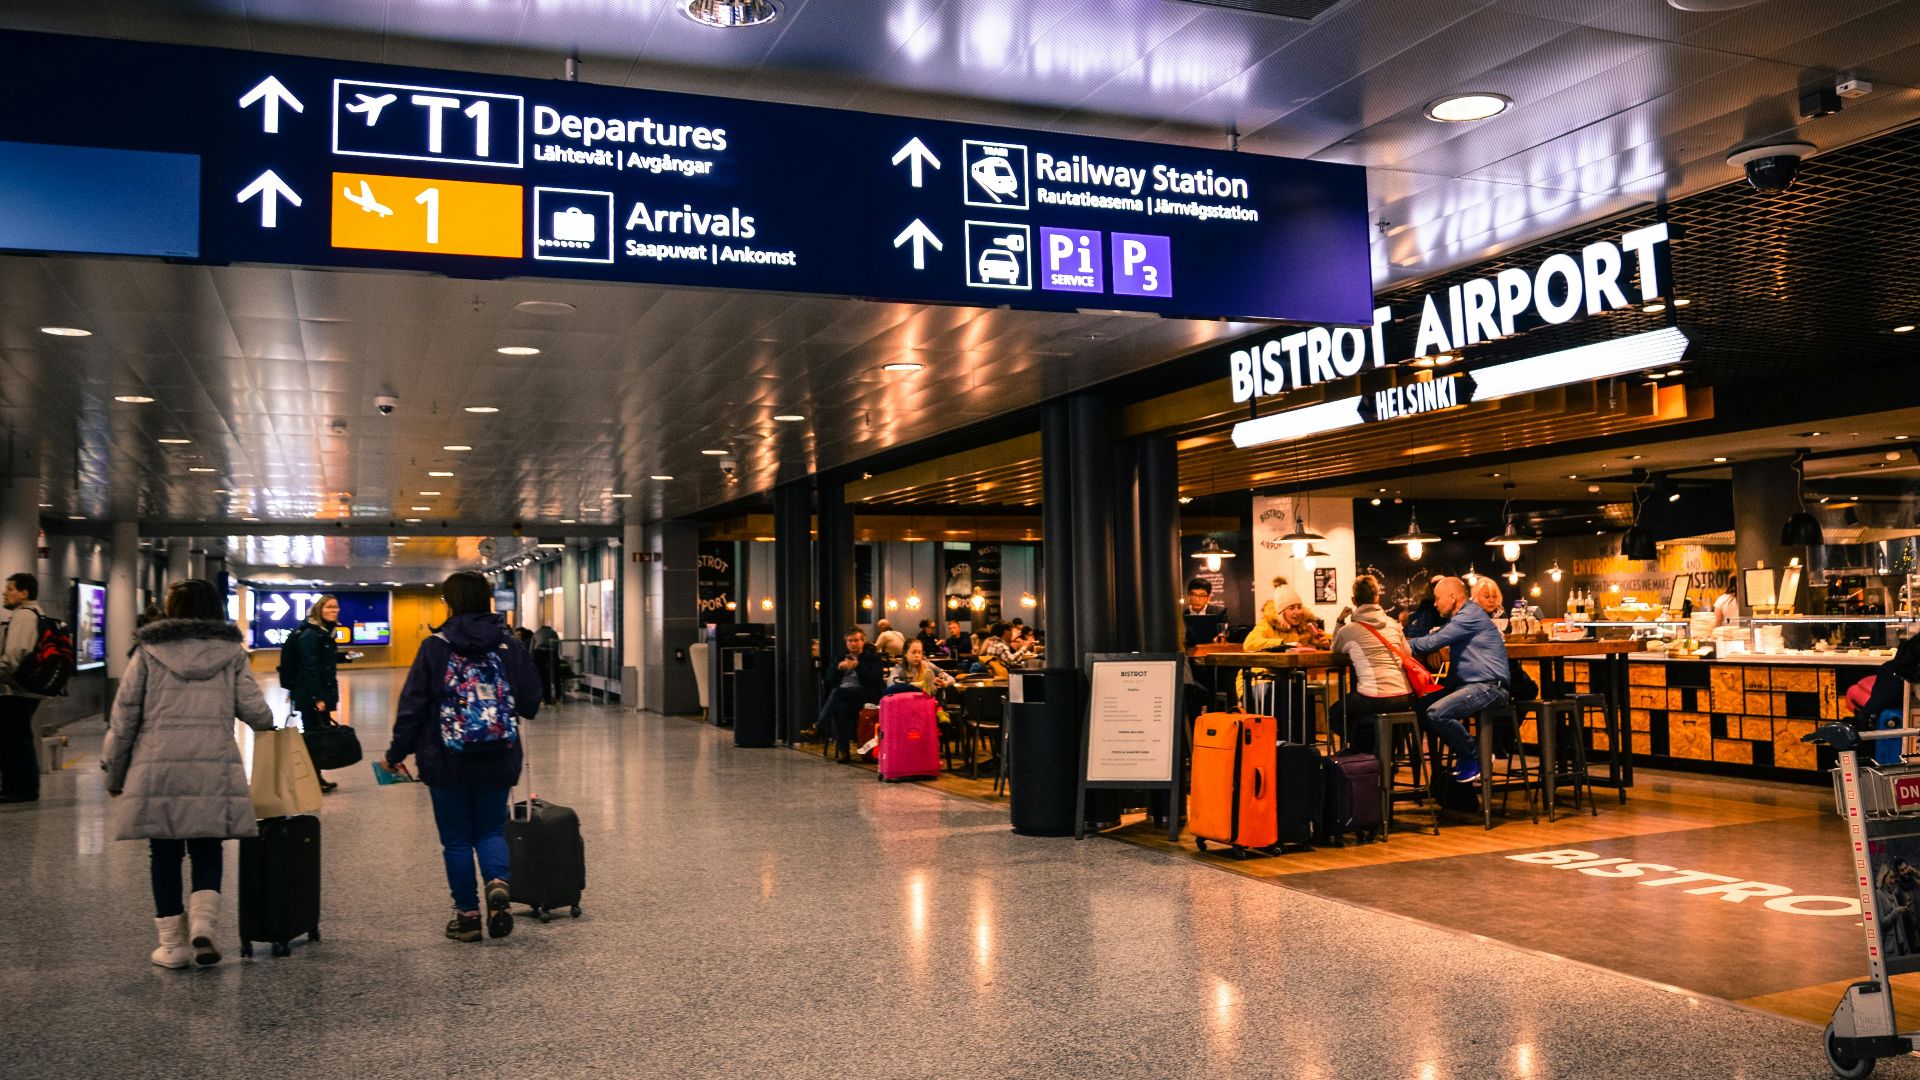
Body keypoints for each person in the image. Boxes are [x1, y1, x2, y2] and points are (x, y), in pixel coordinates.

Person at [101, 578, 276, 969]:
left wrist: (114, 774)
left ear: (172, 609)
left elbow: (124, 717)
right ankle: (203, 927)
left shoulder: (147, 651)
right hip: (211, 766)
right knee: (207, 847)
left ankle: (172, 947)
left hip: (157, 767)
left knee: (163, 853)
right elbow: (257, 713)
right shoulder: (231, 653)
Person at [380, 571, 543, 943]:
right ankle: (498, 885)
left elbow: (414, 707)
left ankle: (467, 917)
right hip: (498, 756)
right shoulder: (508, 644)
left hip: (445, 759)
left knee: (456, 840)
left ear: (450, 603)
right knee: (489, 829)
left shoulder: (435, 646)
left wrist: (395, 752)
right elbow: (532, 701)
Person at [1405, 576, 1510, 784]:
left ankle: (1475, 754)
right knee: (1421, 706)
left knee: (1436, 713)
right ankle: (1447, 769)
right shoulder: (1463, 617)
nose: (1435, 604)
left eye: (1437, 598)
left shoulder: (1469, 616)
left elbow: (1433, 641)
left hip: (1490, 687)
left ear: (1452, 597)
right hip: (1474, 686)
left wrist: (1400, 644)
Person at [1327, 575, 1415, 753]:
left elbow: (1335, 649)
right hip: (1404, 697)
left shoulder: (1349, 630)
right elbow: (1408, 654)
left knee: (1336, 714)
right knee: (1360, 710)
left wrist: (1339, 621)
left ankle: (1366, 751)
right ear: (1377, 598)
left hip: (1374, 696)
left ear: (1354, 600)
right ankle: (1381, 750)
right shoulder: (1393, 624)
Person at [285, 594, 346, 794]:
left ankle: (316, 778)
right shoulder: (311, 634)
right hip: (312, 695)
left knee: (317, 736)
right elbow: (309, 667)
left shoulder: (322, 632)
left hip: (317, 693)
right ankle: (313, 779)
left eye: (335, 607)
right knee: (314, 737)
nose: (333, 610)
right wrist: (317, 697)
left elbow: (322, 660)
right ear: (319, 610)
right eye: (329, 607)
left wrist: (342, 657)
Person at [0, 573, 49, 803]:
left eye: (9, 588)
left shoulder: (24, 616)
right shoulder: (35, 613)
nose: (4, 593)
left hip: (17, 689)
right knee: (15, 737)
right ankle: (16, 787)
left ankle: (23, 789)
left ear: (24, 593)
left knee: (17, 739)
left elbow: (14, 656)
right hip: (24, 688)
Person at [817, 626, 884, 763]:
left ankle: (820, 725)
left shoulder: (872, 657)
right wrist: (838, 669)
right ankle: (844, 751)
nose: (853, 643)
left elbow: (876, 679)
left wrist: (857, 666)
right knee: (841, 707)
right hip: (845, 698)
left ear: (863, 641)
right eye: (850, 641)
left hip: (865, 697)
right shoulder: (839, 658)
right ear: (846, 643)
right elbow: (828, 680)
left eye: (856, 640)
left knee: (838, 692)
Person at [891, 638, 955, 696]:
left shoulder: (927, 665)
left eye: (919, 652)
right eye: (913, 652)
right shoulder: (899, 669)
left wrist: (945, 683)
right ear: (905, 653)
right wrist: (920, 684)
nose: (917, 655)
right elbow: (890, 685)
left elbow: (951, 679)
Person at [531, 624, 561, 704]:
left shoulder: (537, 632)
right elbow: (557, 645)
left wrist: (531, 658)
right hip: (552, 653)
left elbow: (532, 647)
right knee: (555, 675)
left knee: (541, 676)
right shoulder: (554, 633)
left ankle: (544, 698)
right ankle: (558, 697)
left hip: (539, 653)